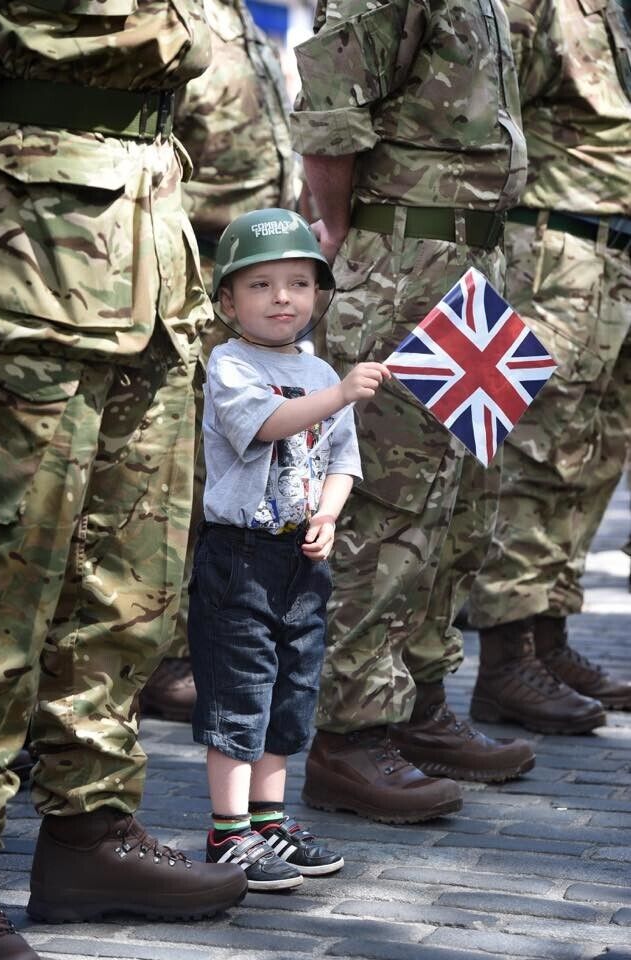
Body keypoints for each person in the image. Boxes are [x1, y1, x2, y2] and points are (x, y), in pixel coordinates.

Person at [0, 4, 248, 958]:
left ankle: (89, 834)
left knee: (131, 580)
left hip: (149, 253)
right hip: (24, 258)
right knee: (7, 580)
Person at [288, 0, 537, 825]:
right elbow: (331, 109)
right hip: (404, 263)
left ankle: (418, 705)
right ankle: (349, 737)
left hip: (475, 265)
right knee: (389, 512)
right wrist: (336, 229)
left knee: (461, 508)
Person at [188, 207, 389, 888]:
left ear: (317, 294)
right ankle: (228, 832)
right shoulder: (229, 364)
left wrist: (327, 514)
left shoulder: (319, 368)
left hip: (301, 560)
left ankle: (268, 821)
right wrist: (340, 393)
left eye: (299, 284)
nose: (282, 298)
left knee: (290, 691)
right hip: (240, 557)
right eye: (260, 285)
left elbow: (342, 460)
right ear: (227, 301)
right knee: (238, 690)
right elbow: (270, 423)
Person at [468, 0, 631, 731]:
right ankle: (506, 661)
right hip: (554, 254)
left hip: (613, 255)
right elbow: (486, 114)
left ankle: (547, 639)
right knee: (537, 453)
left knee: (594, 456)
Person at [139, 0, 298, 722]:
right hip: (192, 271)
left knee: (230, 469)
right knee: (185, 474)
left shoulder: (239, 15)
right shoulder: (177, 14)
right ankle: (163, 653)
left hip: (242, 282)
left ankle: (205, 641)